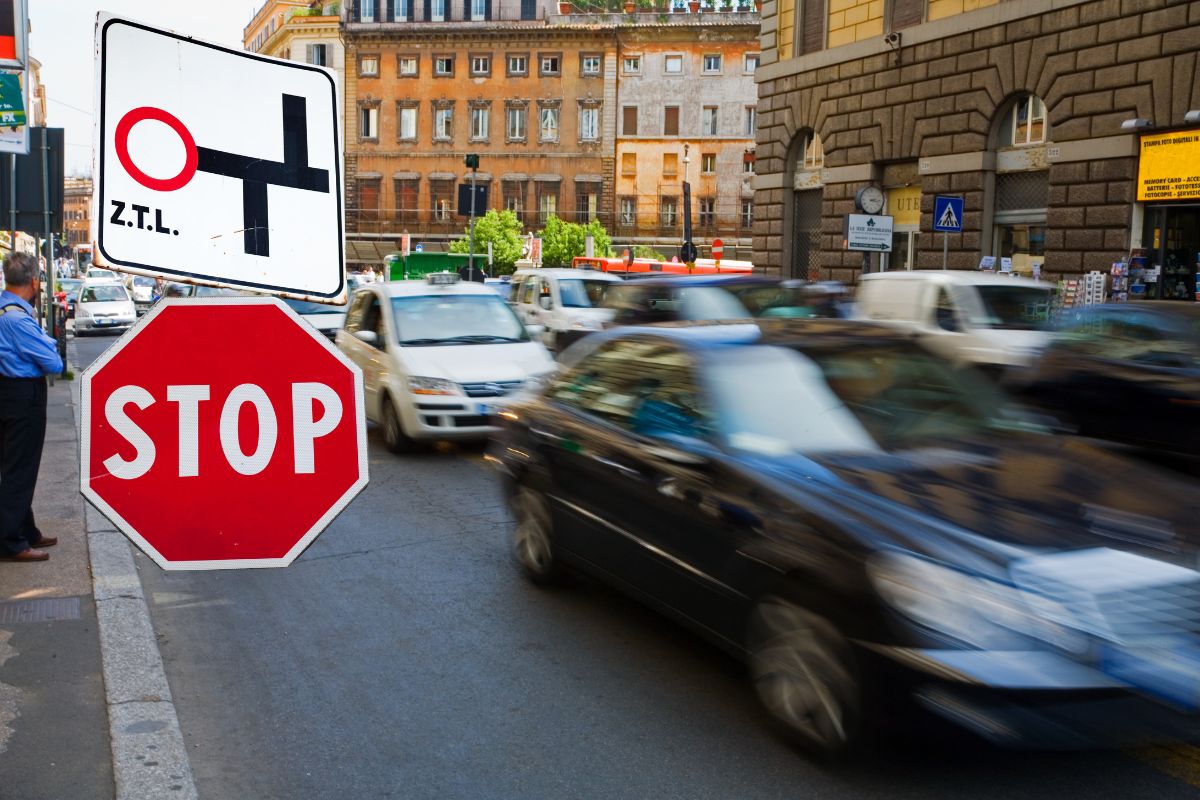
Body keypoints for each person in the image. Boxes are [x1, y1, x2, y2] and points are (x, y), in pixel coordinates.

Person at [0, 253, 64, 562]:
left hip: (8, 392)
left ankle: (26, 529)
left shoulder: (4, 310)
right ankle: (12, 541)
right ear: (35, 282)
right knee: (20, 469)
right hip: (24, 396)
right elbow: (53, 362)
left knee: (13, 465)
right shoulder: (17, 318)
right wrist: (48, 344)